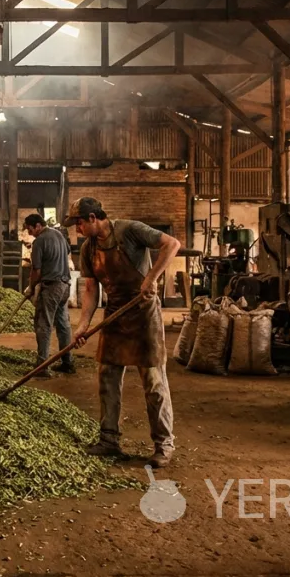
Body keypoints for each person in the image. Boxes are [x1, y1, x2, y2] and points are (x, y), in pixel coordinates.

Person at [65, 197, 181, 469]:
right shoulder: (87, 249)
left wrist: (151, 278)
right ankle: (109, 440)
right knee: (107, 375)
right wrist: (82, 325)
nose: (77, 228)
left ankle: (163, 444)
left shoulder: (130, 230)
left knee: (153, 381)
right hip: (115, 313)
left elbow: (171, 244)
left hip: (143, 313)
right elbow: (92, 290)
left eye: (79, 223)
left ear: (93, 218)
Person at [23, 213, 74, 377]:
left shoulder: (39, 242)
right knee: (63, 324)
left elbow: (36, 270)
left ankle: (42, 366)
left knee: (43, 324)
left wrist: (31, 287)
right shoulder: (59, 234)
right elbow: (66, 253)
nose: (30, 233)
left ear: (38, 225)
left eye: (30, 229)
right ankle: (68, 362)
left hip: (52, 286)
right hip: (65, 285)